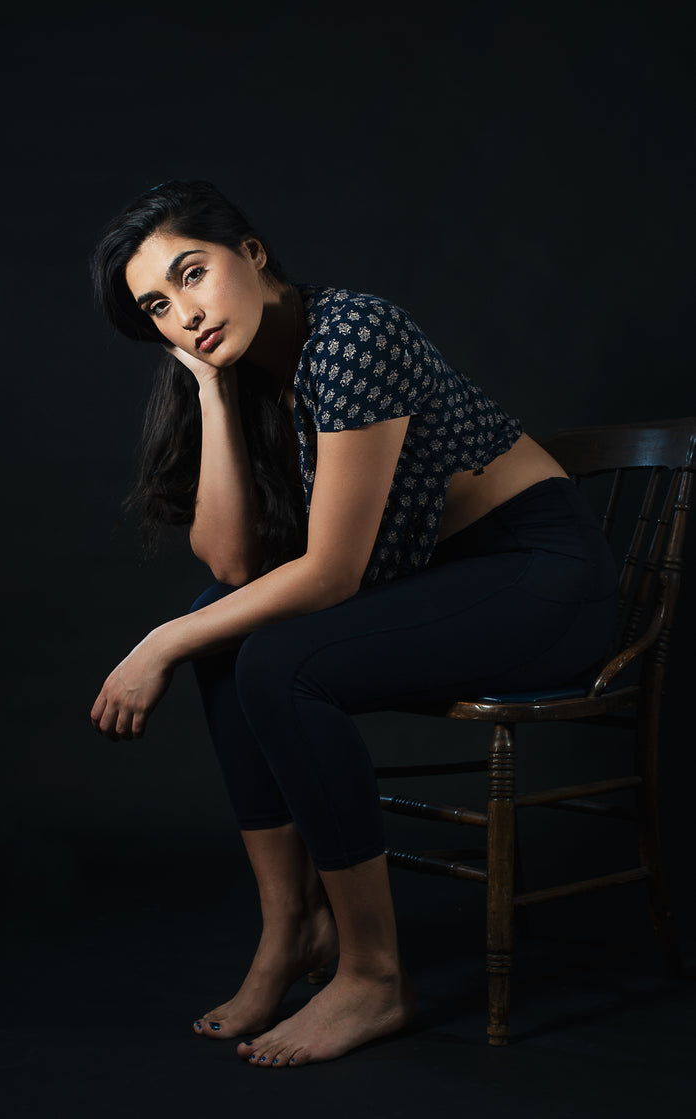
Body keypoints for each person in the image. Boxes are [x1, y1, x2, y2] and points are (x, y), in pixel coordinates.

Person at [89, 180, 619, 1067]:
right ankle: (292, 929)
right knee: (220, 629)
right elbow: (227, 565)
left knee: (273, 662)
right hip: (459, 581)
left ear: (252, 254)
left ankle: (375, 975)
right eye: (158, 306)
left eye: (193, 273)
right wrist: (212, 393)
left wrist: (157, 645)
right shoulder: (255, 366)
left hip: (542, 582)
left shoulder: (354, 334)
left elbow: (331, 575)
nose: (184, 312)